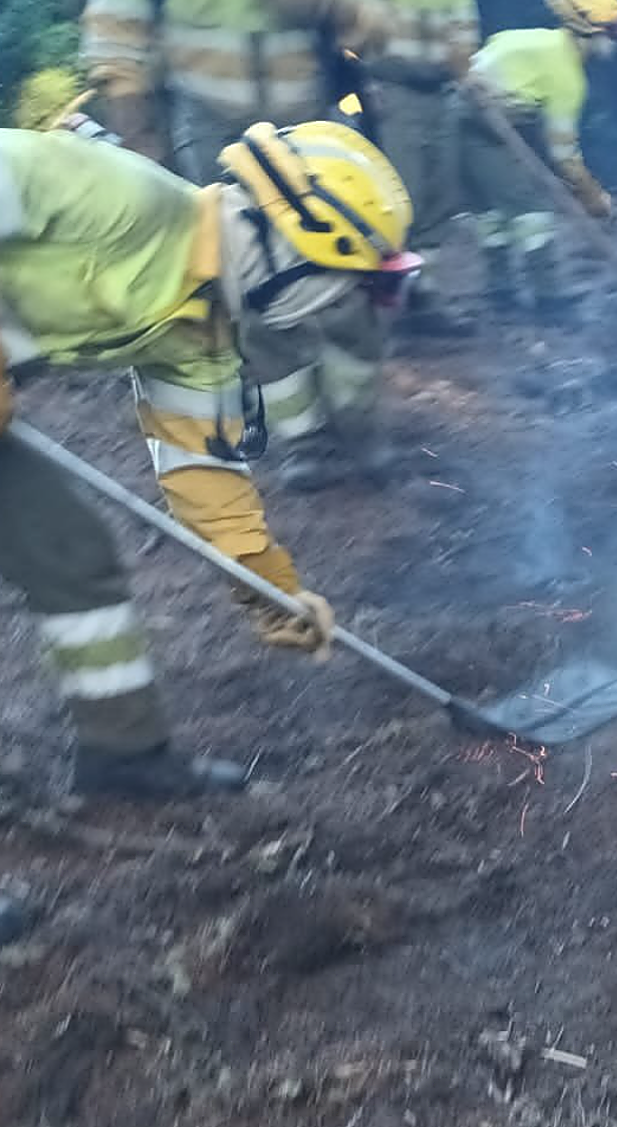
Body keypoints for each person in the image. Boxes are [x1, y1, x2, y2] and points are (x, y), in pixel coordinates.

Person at [0, 117, 417, 804]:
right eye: (345, 285)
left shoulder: (203, 333)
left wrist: (269, 590)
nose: (338, 306)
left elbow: (205, 478)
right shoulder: (115, 196)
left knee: (69, 551)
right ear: (296, 249)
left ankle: (124, 756)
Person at [82, 0, 400, 489]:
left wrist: (323, 3)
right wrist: (138, 138)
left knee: (348, 280)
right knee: (251, 296)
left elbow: (380, 26)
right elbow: (115, 40)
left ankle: (365, 427)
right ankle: (302, 437)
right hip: (208, 134)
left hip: (315, 132)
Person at [331, 0, 480, 332]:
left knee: (437, 198)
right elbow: (333, 17)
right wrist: (351, 81)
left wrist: (467, 74)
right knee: (389, 200)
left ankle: (424, 296)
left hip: (441, 90)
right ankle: (378, 306)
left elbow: (464, 22)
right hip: (382, 90)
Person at [461, 0, 617, 316]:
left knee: (493, 214)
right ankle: (549, 298)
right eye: (611, 34)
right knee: (532, 212)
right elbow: (564, 153)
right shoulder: (566, 74)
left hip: (461, 117)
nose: (615, 44)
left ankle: (501, 292)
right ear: (589, 30)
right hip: (480, 122)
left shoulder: (537, 39)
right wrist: (593, 196)